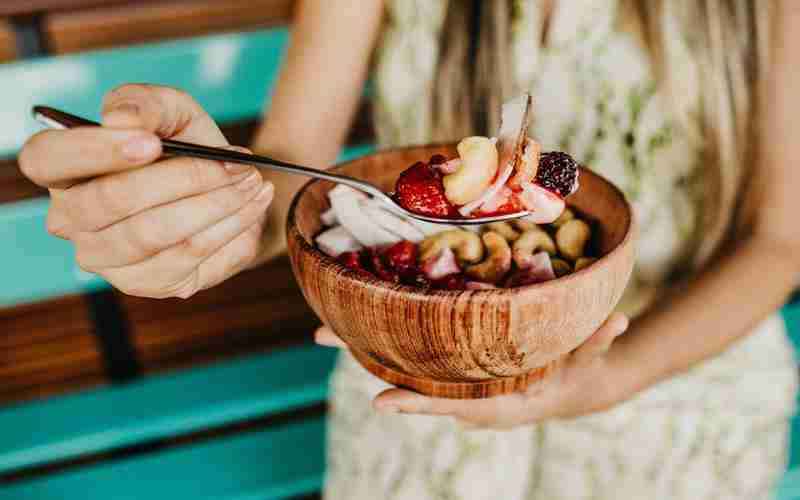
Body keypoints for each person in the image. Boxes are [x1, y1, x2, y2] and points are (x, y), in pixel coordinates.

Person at [18, 0, 800, 498]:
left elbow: (781, 241)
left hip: (671, 374)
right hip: (419, 360)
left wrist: (607, 381)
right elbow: (292, 177)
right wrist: (207, 208)